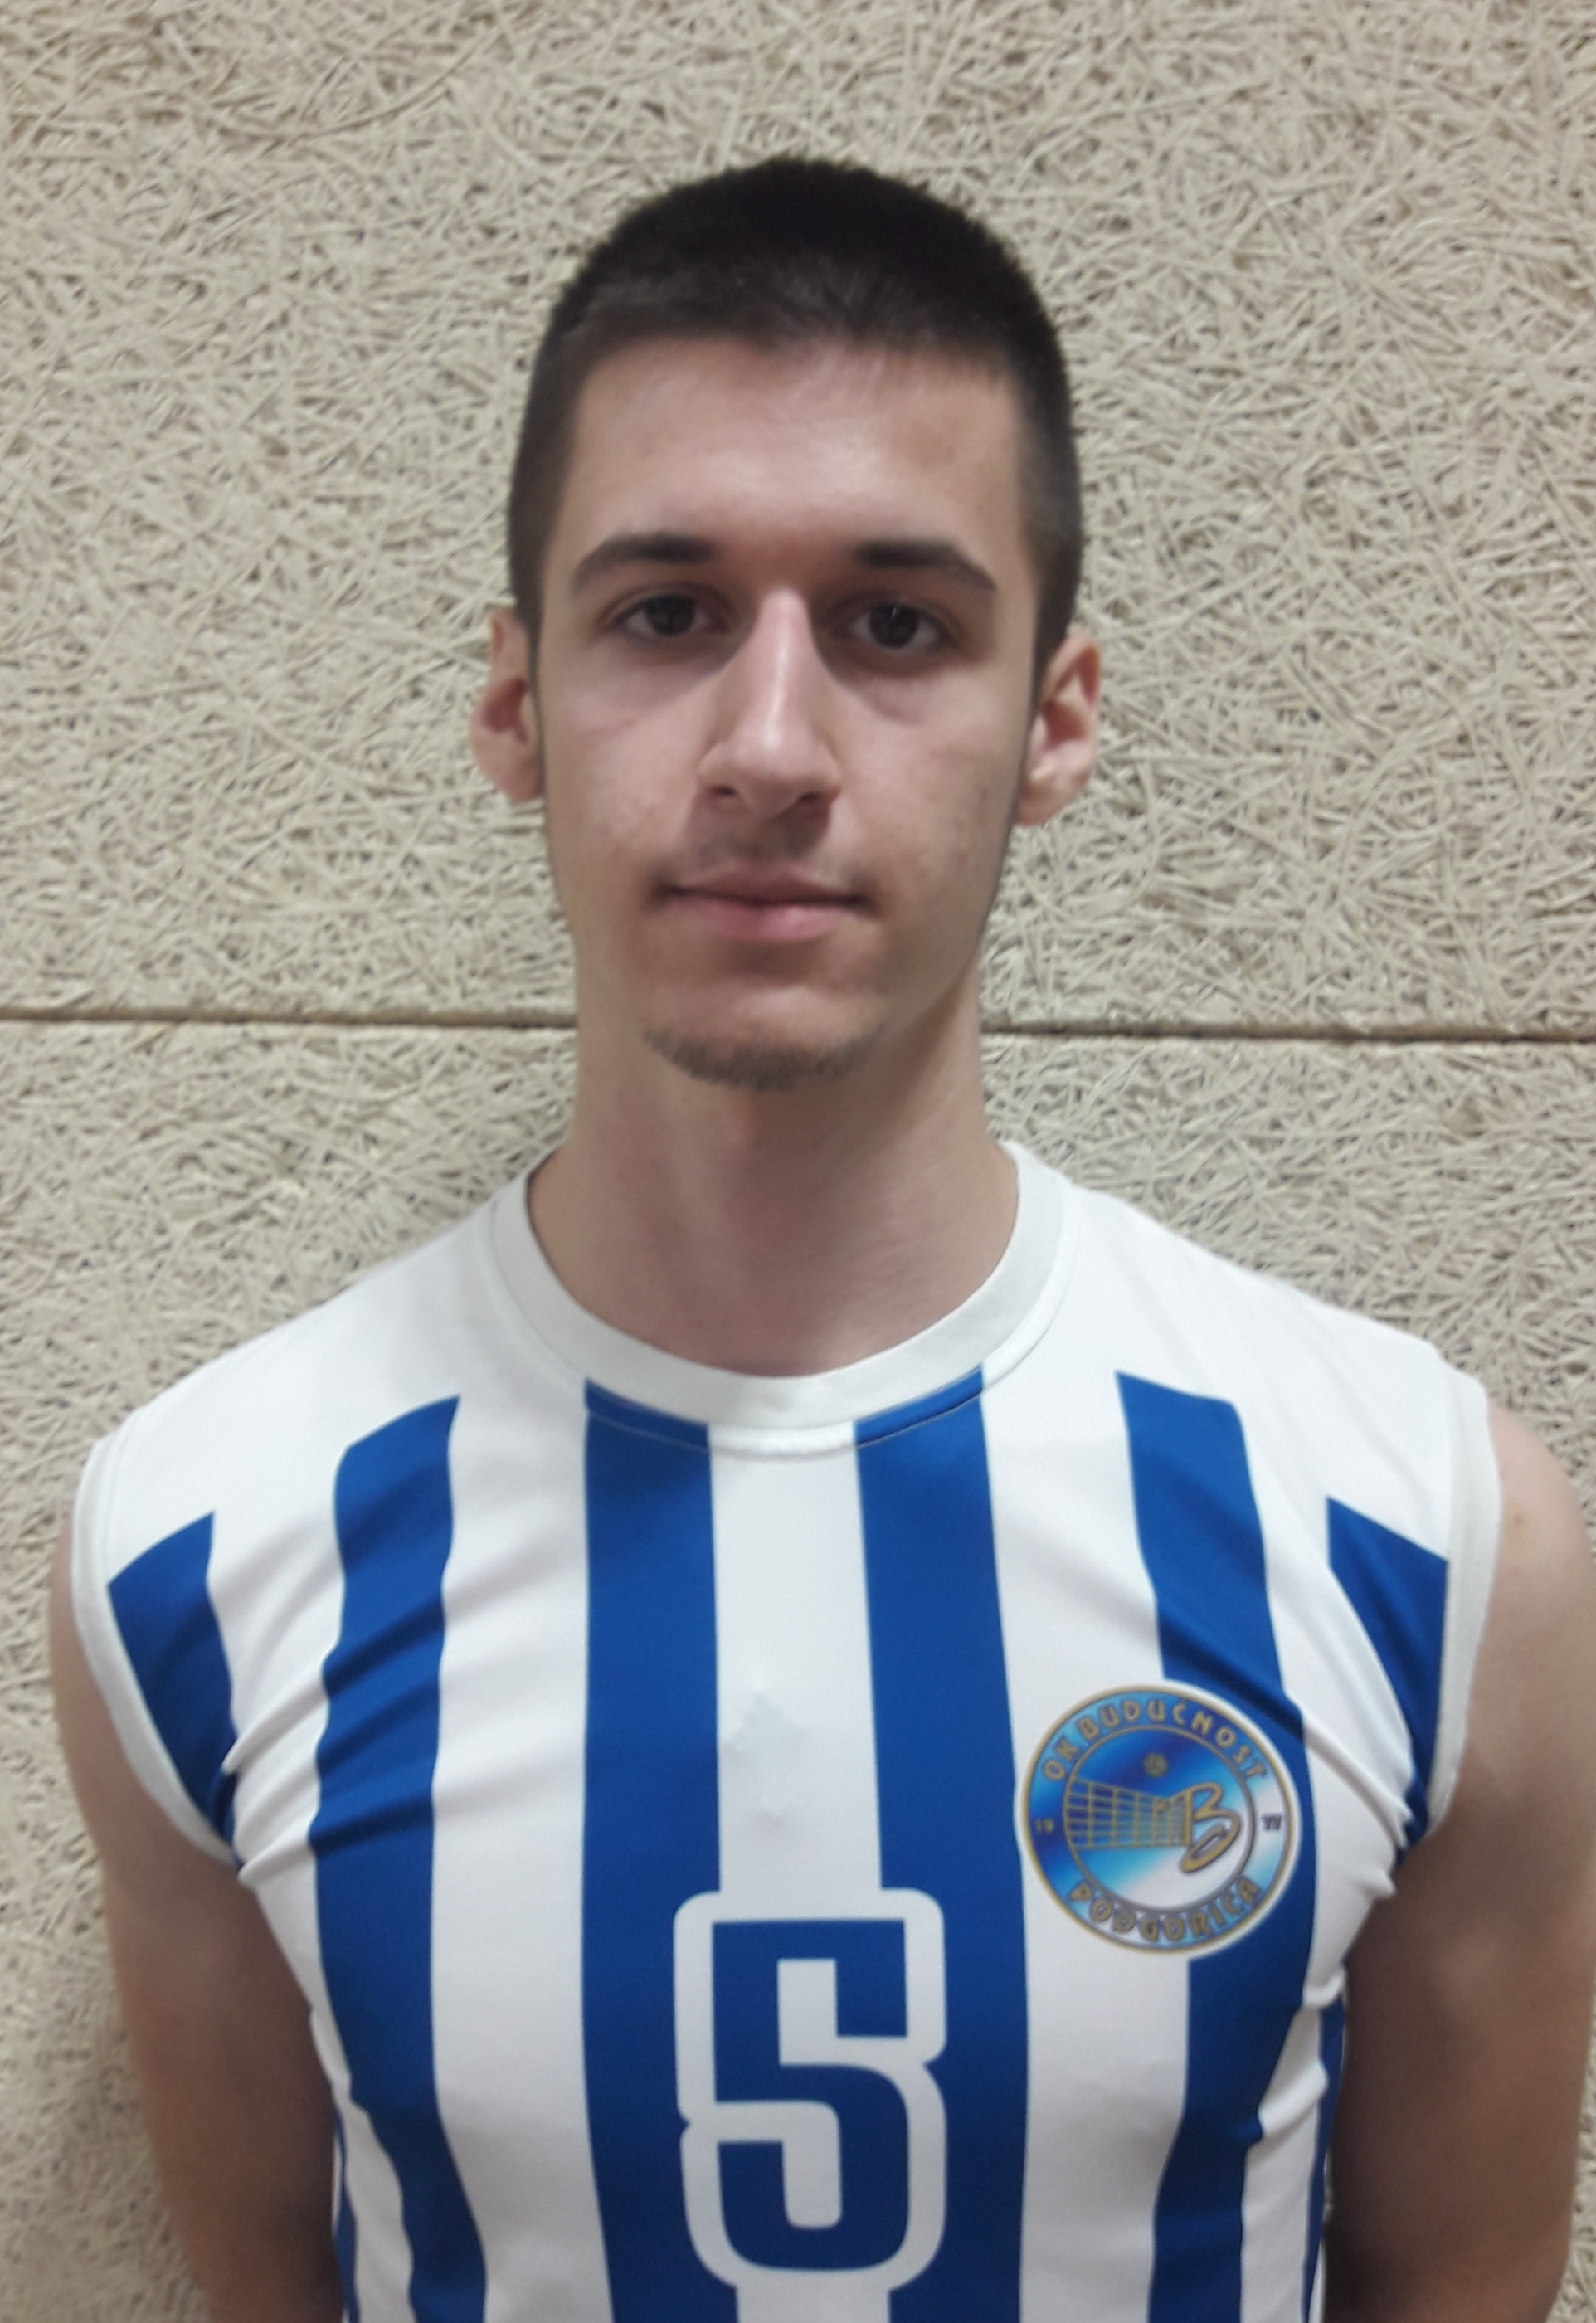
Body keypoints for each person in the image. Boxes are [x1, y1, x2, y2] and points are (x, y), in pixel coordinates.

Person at [51, 156, 1596, 2323]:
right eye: (664, 614)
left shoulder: (1424, 1539)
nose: (770, 748)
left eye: (895, 626)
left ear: (1054, 717)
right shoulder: (198, 1554)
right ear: (515, 702)